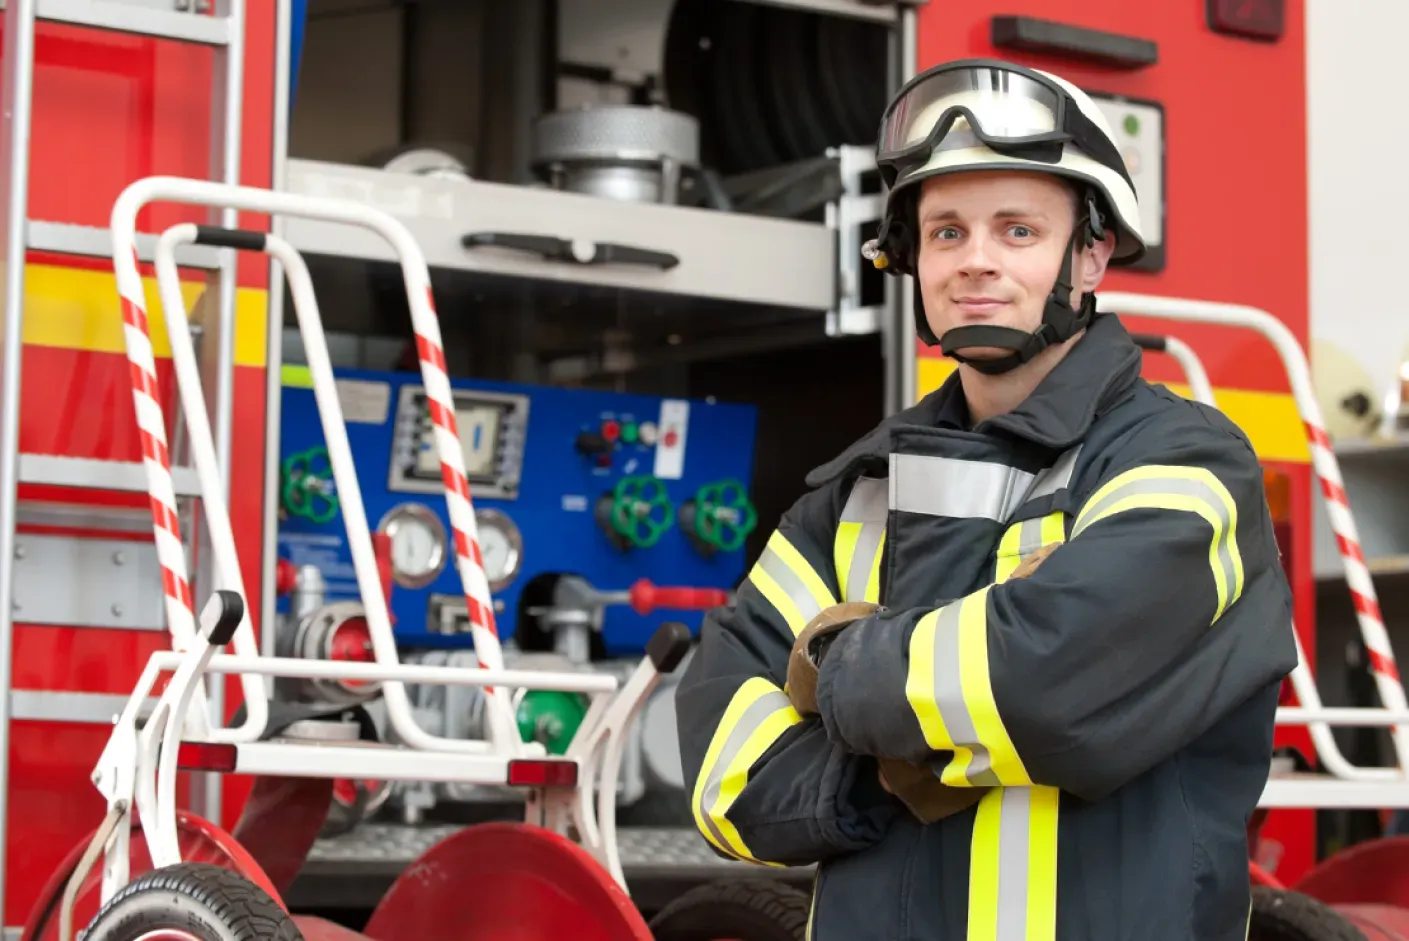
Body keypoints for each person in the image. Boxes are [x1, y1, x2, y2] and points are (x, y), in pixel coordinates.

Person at [673, 57, 1297, 940]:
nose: (975, 262)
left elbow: (1040, 686)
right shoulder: (857, 491)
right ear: (908, 256)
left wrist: (837, 663)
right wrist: (876, 775)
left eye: (1016, 231)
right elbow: (714, 752)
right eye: (945, 232)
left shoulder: (1185, 463)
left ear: (1089, 253)